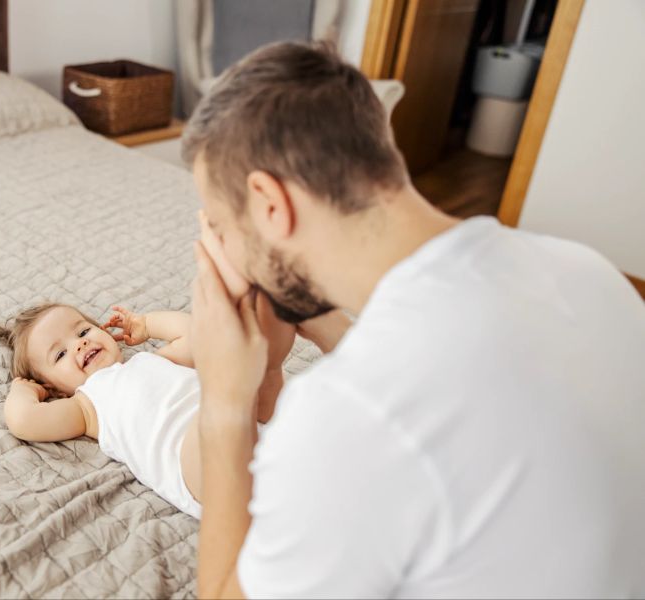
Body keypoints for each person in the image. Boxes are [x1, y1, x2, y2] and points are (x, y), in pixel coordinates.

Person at [183, 40, 645, 598]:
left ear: (270, 203)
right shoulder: (588, 270)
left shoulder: (347, 412)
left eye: (223, 230)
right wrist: (334, 327)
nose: (226, 253)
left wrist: (224, 401)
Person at [0, 288, 294, 519]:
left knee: (261, 379)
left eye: (83, 331)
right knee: (228, 391)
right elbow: (23, 420)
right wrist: (21, 391)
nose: (80, 344)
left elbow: (193, 335)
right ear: (52, 389)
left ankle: (268, 360)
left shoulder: (150, 361)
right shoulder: (86, 406)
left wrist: (147, 324)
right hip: (195, 467)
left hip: (255, 434)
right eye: (59, 355)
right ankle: (243, 381)